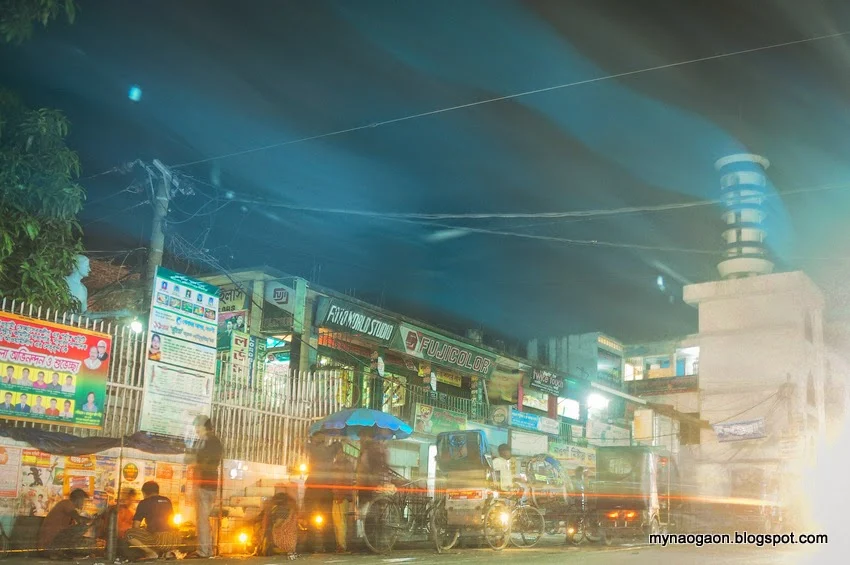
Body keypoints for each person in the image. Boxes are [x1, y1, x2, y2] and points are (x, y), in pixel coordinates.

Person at [186, 415, 222, 558]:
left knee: (202, 519)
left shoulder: (206, 441)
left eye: (197, 426)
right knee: (205, 519)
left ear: (203, 426)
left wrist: (195, 463)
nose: (196, 430)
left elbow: (201, 461)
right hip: (211, 483)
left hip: (203, 483)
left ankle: (203, 551)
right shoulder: (216, 441)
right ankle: (208, 550)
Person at [126, 482, 180, 560]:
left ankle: (151, 553)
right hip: (174, 539)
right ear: (157, 491)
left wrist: (144, 530)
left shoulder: (144, 502)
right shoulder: (167, 500)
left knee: (129, 533)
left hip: (159, 540)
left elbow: (135, 526)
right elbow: (171, 522)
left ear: (144, 493)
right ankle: (168, 552)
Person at [38, 488, 93, 559]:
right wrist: (94, 521)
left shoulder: (67, 507)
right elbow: (80, 520)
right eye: (83, 500)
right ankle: (56, 552)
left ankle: (61, 552)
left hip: (50, 544)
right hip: (48, 545)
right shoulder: (67, 503)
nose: (83, 503)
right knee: (81, 528)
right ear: (79, 499)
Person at [329, 443, 354, 553]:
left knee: (340, 522)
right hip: (337, 495)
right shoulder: (338, 464)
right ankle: (339, 545)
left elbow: (346, 481)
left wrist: (341, 494)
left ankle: (342, 546)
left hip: (341, 496)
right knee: (337, 522)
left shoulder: (345, 465)